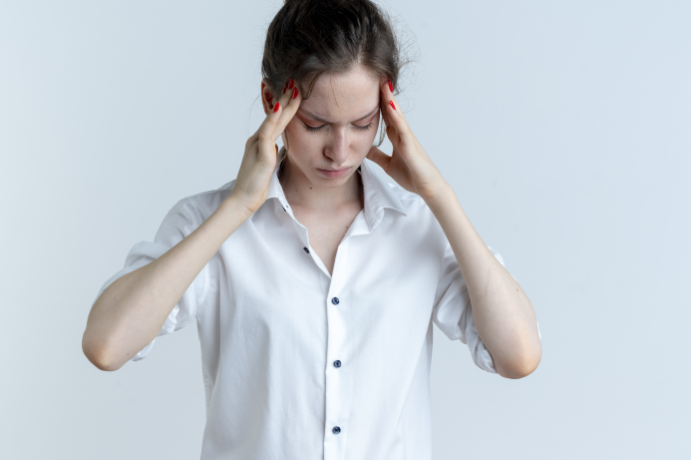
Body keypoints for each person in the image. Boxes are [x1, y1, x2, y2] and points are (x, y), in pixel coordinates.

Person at [83, 0, 542, 458]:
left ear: (387, 110)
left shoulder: (418, 225)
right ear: (274, 103)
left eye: (362, 124)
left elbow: (519, 356)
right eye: (316, 124)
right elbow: (106, 346)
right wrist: (239, 207)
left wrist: (438, 194)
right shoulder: (210, 223)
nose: (340, 151)